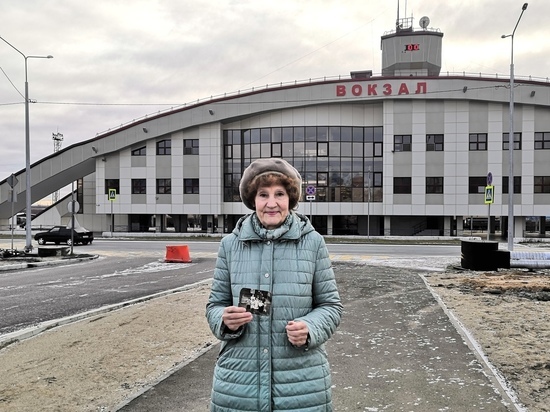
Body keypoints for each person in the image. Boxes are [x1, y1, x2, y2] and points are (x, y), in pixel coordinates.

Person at [206, 158, 343, 411]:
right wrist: (223, 320)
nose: (271, 203)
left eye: (279, 193)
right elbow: (215, 305)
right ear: (252, 200)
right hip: (238, 381)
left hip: (302, 382)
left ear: (290, 198)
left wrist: (310, 328)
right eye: (263, 194)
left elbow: (331, 306)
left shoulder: (313, 243)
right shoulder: (230, 245)